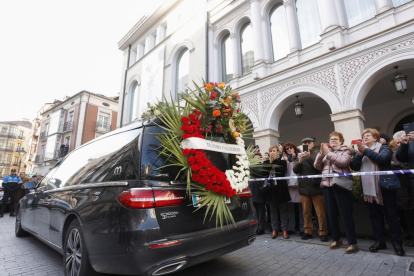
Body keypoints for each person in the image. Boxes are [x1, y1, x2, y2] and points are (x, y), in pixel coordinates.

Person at [350, 128, 404, 256]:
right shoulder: (362, 152)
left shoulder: (384, 148)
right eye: (364, 136)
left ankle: (397, 243)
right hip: (370, 190)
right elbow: (355, 167)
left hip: (385, 187)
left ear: (376, 138)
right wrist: (359, 154)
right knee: (375, 216)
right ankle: (380, 241)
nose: (365, 138)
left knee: (391, 216)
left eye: (368, 136)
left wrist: (366, 150)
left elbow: (382, 160)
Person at [314, 131, 358, 253]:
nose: (333, 141)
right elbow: (317, 166)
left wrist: (329, 154)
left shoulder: (345, 150)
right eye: (331, 139)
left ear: (341, 141)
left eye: (335, 139)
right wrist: (321, 154)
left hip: (340, 185)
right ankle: (336, 239)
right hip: (327, 186)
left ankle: (352, 242)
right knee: (331, 214)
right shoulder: (326, 152)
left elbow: (343, 162)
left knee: (346, 214)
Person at [294, 137, 328, 242]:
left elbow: (319, 166)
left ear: (313, 144)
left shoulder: (317, 153)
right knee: (306, 212)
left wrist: (308, 158)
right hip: (304, 188)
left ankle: (323, 232)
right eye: (304, 143)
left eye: (309, 142)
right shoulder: (299, 155)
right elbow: (295, 170)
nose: (307, 144)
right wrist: (299, 161)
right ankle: (307, 231)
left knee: (320, 212)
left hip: (316, 187)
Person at [264, 145, 291, 239]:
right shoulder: (266, 162)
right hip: (271, 190)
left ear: (278, 152)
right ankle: (274, 229)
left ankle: (284, 230)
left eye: (274, 150)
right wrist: (270, 163)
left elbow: (282, 170)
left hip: (281, 190)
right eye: (271, 151)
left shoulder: (282, 161)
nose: (272, 152)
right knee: (272, 211)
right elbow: (264, 173)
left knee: (283, 210)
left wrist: (274, 161)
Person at [282, 142, 303, 239]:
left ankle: (302, 228)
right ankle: (291, 227)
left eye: (291, 147)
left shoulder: (300, 157)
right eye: (287, 148)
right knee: (290, 208)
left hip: (299, 186)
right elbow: (284, 171)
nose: (289, 149)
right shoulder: (284, 159)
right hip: (289, 186)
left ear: (294, 148)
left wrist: (295, 160)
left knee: (301, 208)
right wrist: (286, 161)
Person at [396, 129, 414, 247]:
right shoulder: (410, 142)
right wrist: (404, 144)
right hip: (411, 181)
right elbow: (401, 157)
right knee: (410, 210)